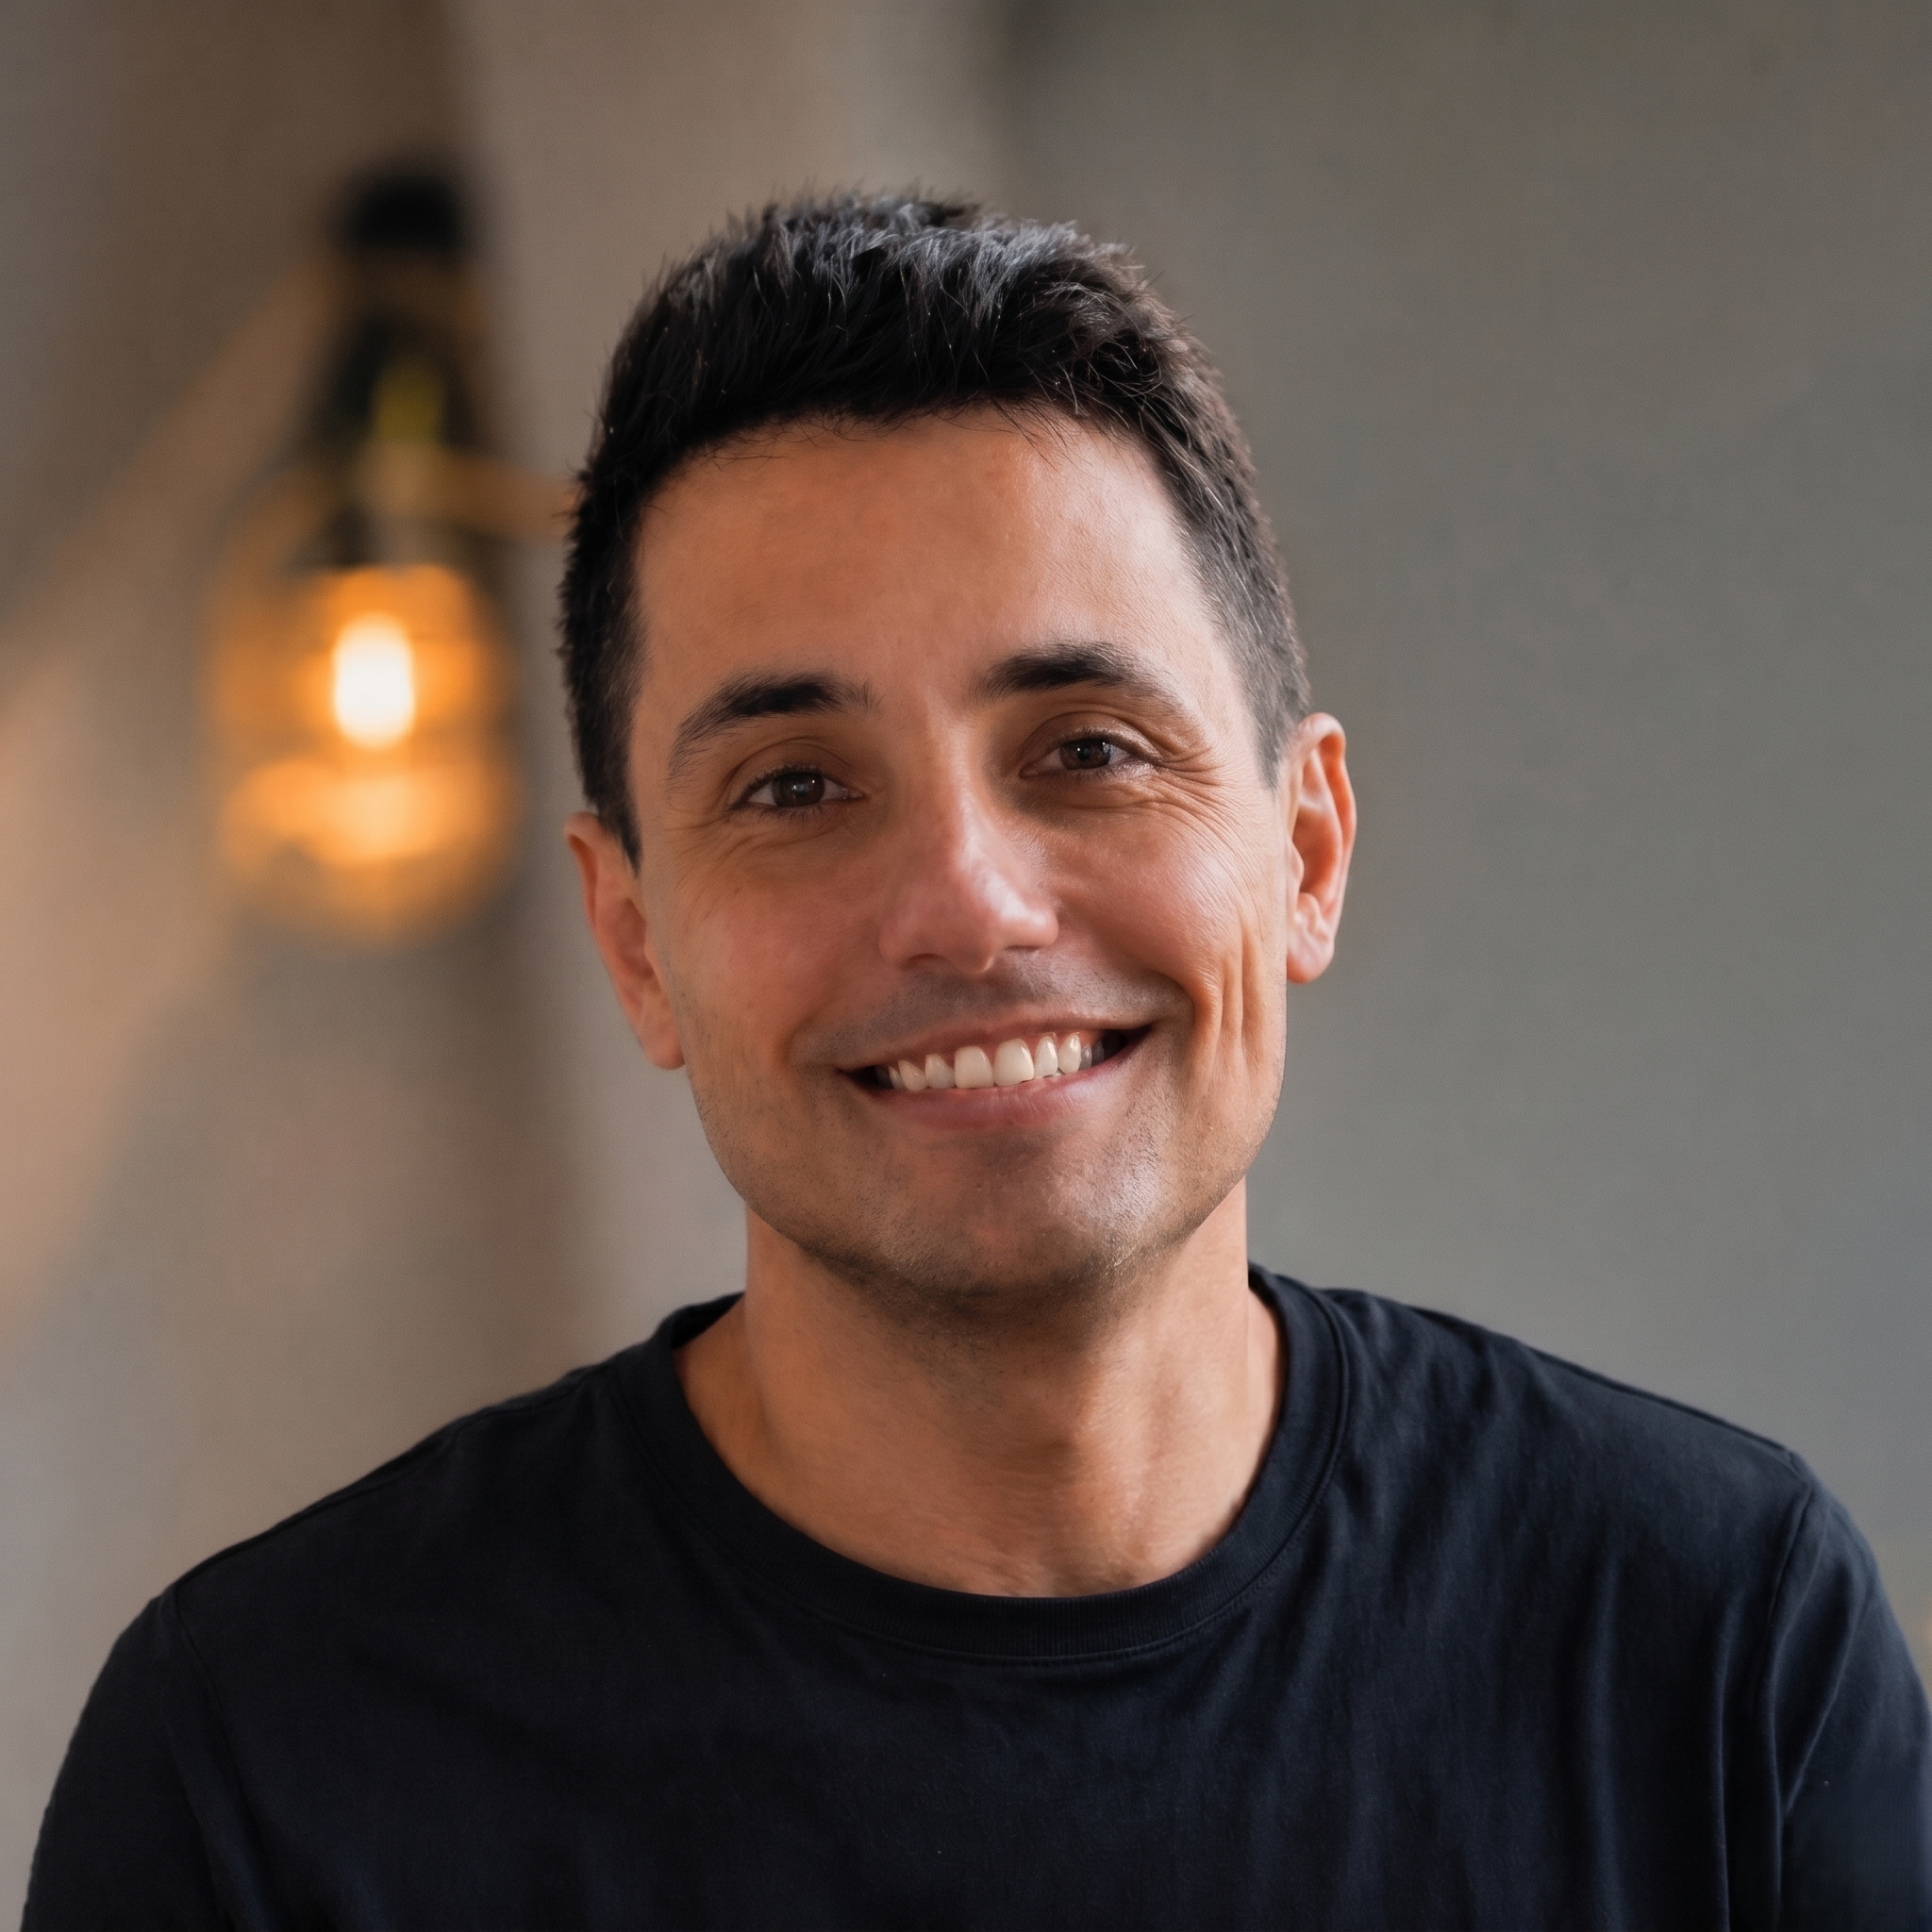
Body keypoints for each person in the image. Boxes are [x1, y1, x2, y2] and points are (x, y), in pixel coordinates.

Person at [26, 194, 1930, 1929]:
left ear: (1305, 850)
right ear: (636, 942)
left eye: (1088, 749)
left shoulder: (1713, 1642)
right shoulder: (263, 1771)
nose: (966, 904)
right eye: (793, 787)